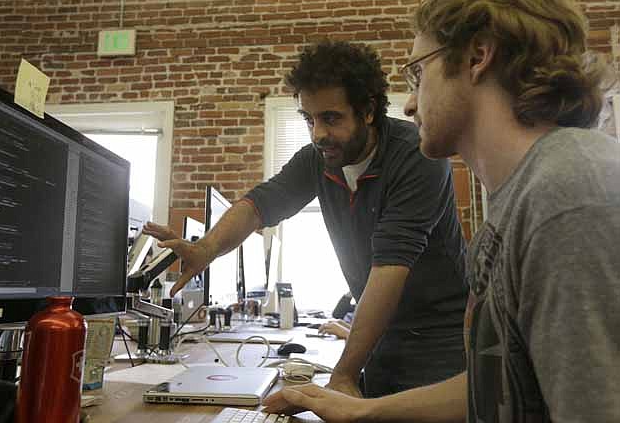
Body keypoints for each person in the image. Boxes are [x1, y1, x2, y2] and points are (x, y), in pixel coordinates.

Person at [262, 0, 620, 421]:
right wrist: (363, 412)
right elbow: (504, 385)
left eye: (417, 74)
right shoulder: (523, 196)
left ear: (477, 56)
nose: (410, 105)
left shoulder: (569, 195)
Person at [145, 40, 469, 397]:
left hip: (440, 340)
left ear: (368, 111)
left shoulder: (415, 156)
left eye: (331, 118)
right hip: (381, 336)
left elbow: (390, 266)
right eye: (308, 119)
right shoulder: (319, 158)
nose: (318, 133)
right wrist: (206, 249)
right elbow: (260, 204)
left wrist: (344, 373)